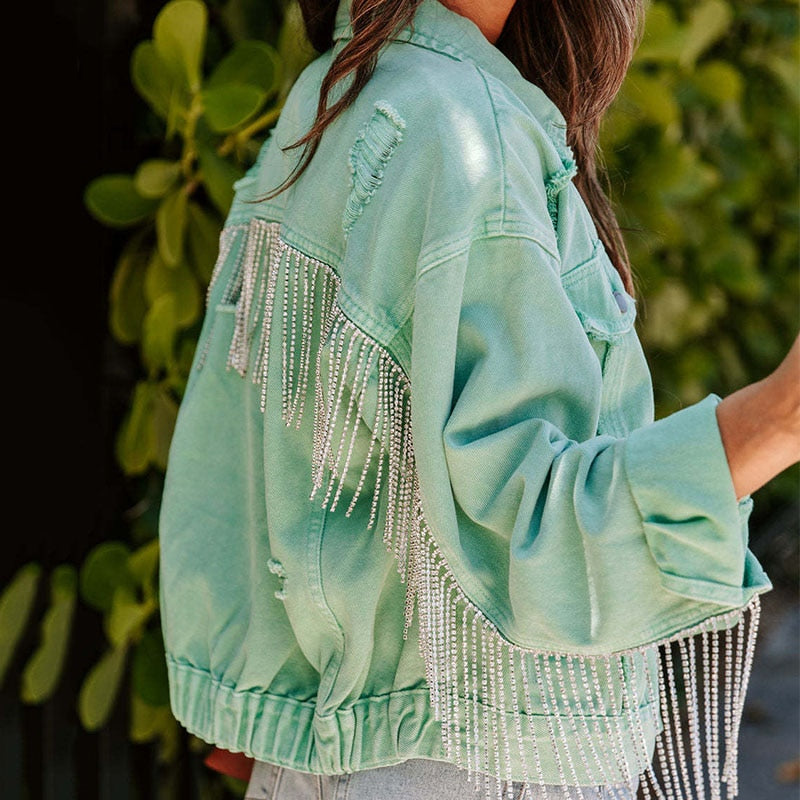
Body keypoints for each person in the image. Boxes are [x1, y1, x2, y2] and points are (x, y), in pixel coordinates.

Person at [157, 0, 800, 798]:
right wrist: (780, 417)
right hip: (480, 764)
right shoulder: (459, 130)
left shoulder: (338, 97)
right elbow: (533, 548)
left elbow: (236, 472)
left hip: (344, 761)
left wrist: (276, 708)